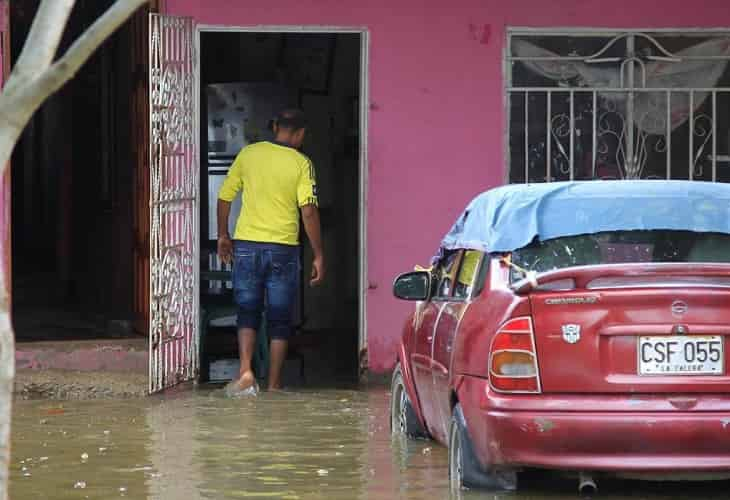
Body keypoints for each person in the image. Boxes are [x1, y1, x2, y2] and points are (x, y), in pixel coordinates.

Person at [217, 109, 324, 393]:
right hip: (283, 249)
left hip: (247, 246)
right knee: (279, 318)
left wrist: (223, 235)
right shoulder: (302, 163)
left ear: (275, 127)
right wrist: (319, 254)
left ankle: (246, 372)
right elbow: (309, 211)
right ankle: (274, 385)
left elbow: (225, 196)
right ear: (300, 134)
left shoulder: (249, 154)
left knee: (247, 312)